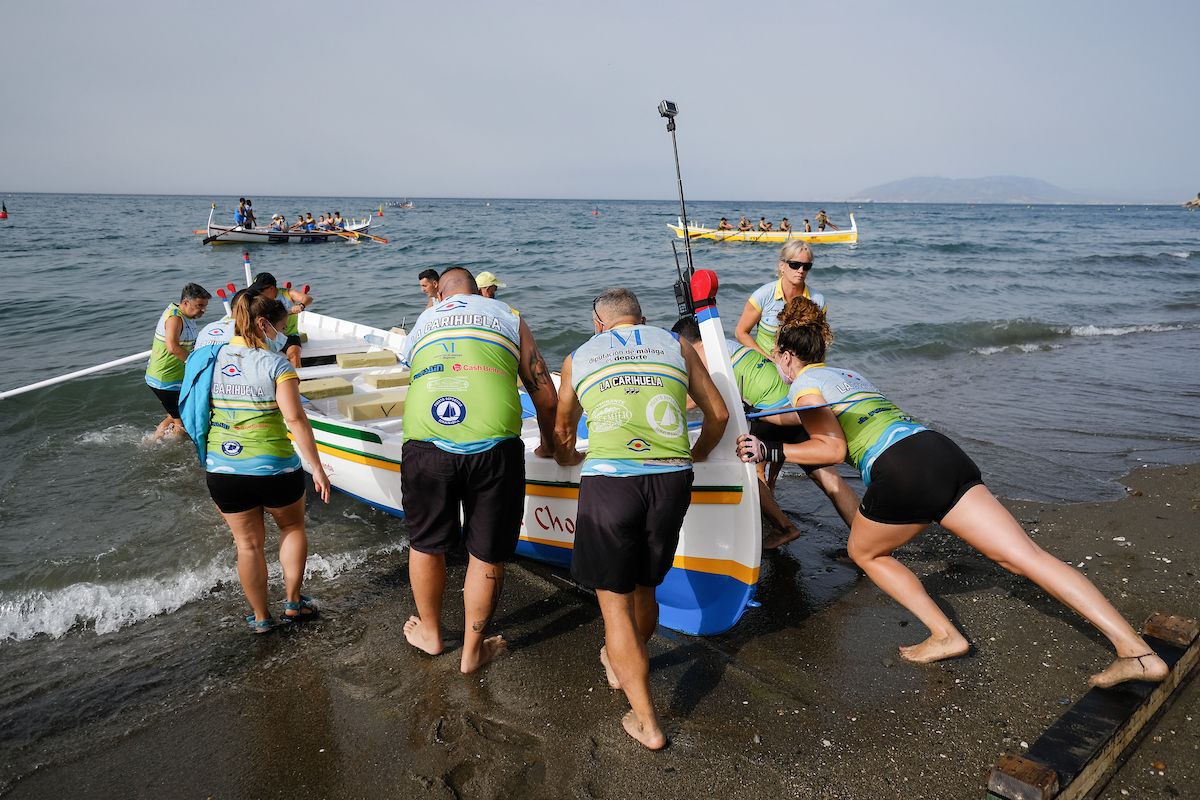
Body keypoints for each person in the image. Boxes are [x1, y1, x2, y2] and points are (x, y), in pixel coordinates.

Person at [736, 297, 1170, 689]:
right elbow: (813, 417)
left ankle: (946, 635)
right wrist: (760, 416)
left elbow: (831, 446)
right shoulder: (846, 375)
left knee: (866, 552)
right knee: (1025, 558)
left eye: (776, 360)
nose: (777, 368)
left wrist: (767, 448)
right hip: (939, 451)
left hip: (901, 469)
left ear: (787, 355)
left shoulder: (802, 384)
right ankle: (1137, 652)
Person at [555, 289, 729, 750]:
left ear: (598, 324)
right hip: (672, 478)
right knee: (645, 589)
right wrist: (699, 453)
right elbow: (719, 414)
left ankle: (647, 722)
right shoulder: (674, 344)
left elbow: (562, 428)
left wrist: (566, 455)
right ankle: (619, 664)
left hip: (612, 482)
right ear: (643, 319)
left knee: (613, 605)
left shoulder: (578, 356)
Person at [398, 267, 558, 673]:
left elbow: (415, 371)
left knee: (425, 543)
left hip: (426, 444)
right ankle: (472, 651)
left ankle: (432, 635)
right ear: (478, 292)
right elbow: (546, 395)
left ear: (441, 293)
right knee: (485, 554)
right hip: (494, 449)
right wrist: (550, 445)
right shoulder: (507, 315)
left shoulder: (425, 319)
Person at [204, 292, 331, 633]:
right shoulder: (276, 365)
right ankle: (293, 602)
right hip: (275, 467)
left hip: (223, 467)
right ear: (263, 324)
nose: (283, 333)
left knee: (247, 545)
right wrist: (317, 468)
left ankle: (260, 617)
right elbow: (295, 420)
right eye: (281, 327)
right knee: (291, 528)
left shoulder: (208, 358)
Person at [671, 317, 809, 545]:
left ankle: (783, 527)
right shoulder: (725, 344)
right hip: (793, 404)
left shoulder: (706, 355)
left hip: (772, 413)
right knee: (763, 469)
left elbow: (702, 406)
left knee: (747, 469)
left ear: (685, 343)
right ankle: (766, 510)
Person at [145, 283, 210, 439]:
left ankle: (154, 442)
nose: (203, 310)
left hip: (172, 378)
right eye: (199, 306)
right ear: (186, 302)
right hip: (165, 379)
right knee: (182, 422)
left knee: (173, 415)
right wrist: (197, 367)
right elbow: (173, 347)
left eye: (204, 306)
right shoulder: (175, 317)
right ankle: (173, 453)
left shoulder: (187, 315)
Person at [250, 272, 312, 369]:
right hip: (268, 336)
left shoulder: (287, 294)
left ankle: (297, 381)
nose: (258, 293)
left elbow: (308, 298)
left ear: (271, 288)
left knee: (294, 355)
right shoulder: (260, 300)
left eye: (260, 290)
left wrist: (301, 305)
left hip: (289, 335)